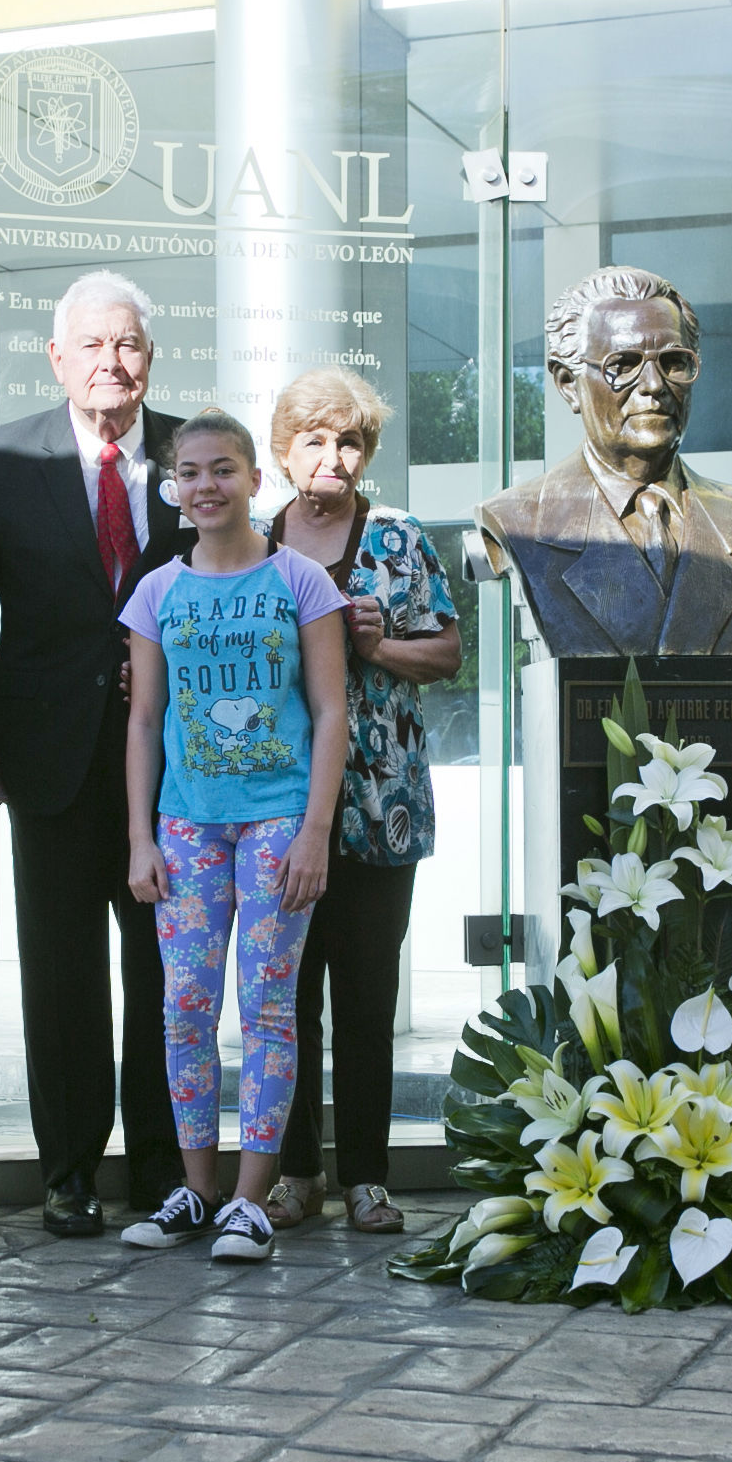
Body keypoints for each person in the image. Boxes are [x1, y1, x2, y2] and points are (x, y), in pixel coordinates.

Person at [0, 269, 192, 1237]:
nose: (111, 360)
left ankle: (165, 1168)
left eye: (127, 343)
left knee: (163, 970)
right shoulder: (0, 458)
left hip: (172, 767)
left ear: (149, 356)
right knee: (59, 975)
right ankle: (69, 1171)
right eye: (91, 344)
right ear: (57, 358)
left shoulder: (194, 453)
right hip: (44, 755)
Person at [117, 409, 350, 1265]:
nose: (206, 484)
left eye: (223, 468)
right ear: (174, 489)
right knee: (182, 1008)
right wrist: (139, 838)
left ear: (257, 479)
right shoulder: (155, 594)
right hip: (185, 827)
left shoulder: (299, 581)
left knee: (264, 1007)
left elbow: (331, 712)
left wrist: (314, 832)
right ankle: (195, 1190)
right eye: (190, 471)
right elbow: (143, 722)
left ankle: (250, 1203)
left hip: (277, 821)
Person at [259, 368, 461, 1235]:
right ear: (282, 449)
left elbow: (449, 651)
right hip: (270, 802)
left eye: (348, 440)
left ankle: (368, 1179)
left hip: (381, 806)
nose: (332, 456)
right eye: (314, 438)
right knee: (286, 995)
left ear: (366, 451)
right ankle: (296, 1173)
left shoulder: (399, 537)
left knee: (366, 998)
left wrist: (382, 648)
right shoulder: (252, 539)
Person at [473, 267, 732, 656]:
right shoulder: (521, 522)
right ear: (569, 384)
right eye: (624, 363)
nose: (654, 385)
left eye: (672, 362)